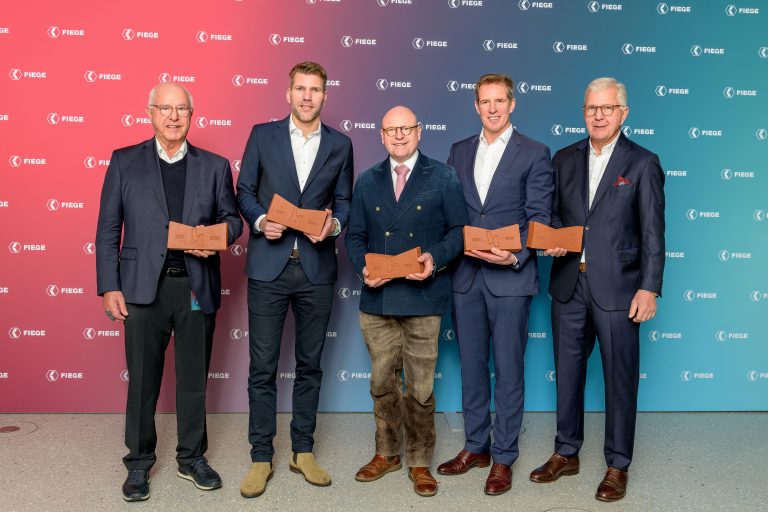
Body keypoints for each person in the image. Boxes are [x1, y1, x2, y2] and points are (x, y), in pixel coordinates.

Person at [96, 82, 243, 502]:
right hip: (142, 289)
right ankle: (139, 463)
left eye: (182, 109)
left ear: (192, 115)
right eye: (166, 108)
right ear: (150, 112)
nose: (174, 116)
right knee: (142, 380)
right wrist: (109, 285)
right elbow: (108, 229)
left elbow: (233, 221)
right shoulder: (125, 162)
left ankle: (192, 457)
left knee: (194, 378)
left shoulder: (215, 166)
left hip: (195, 286)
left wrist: (216, 237)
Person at [529, 77, 665, 502]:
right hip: (569, 283)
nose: (599, 115)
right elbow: (552, 215)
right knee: (567, 376)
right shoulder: (564, 157)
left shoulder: (643, 162)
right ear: (583, 112)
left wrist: (649, 289)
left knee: (619, 380)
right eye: (592, 108)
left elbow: (653, 234)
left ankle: (617, 463)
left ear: (624, 113)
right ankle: (566, 452)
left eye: (608, 108)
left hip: (620, 289)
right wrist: (548, 236)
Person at [235, 61, 353, 497]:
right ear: (288, 93)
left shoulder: (341, 144)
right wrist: (262, 219)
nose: (307, 96)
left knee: (310, 366)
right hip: (269, 265)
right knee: (262, 367)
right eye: (301, 89)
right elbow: (244, 190)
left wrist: (335, 227)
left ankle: (302, 450)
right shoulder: (262, 135)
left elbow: (344, 202)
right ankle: (260, 456)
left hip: (317, 270)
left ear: (325, 96)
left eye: (315, 90)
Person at [437, 73, 553, 495]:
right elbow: (451, 211)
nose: (492, 108)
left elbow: (540, 217)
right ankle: (475, 446)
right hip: (466, 277)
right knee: (471, 367)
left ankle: (503, 456)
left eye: (499, 101)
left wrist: (517, 253)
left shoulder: (536, 153)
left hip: (510, 277)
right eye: (485, 101)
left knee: (507, 370)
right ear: (475, 105)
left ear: (512, 104)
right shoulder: (459, 150)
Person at [345, 105, 468, 497]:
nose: (399, 136)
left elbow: (458, 231)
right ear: (381, 136)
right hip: (378, 301)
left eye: (406, 129)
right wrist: (364, 267)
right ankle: (386, 453)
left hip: (423, 298)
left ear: (419, 131)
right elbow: (354, 237)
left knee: (420, 387)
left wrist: (433, 259)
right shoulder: (367, 180)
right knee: (382, 383)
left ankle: (418, 460)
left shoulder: (443, 176)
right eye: (391, 130)